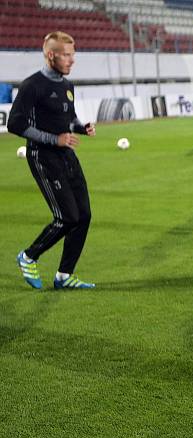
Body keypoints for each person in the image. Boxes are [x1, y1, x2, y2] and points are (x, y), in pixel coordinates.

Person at [8, 31, 96, 289]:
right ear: (51, 55)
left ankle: (64, 276)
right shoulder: (32, 85)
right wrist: (53, 139)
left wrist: (81, 127)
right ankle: (28, 256)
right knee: (67, 216)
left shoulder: (67, 86)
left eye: (73, 54)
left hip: (67, 156)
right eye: (66, 55)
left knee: (84, 215)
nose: (72, 60)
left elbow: (68, 118)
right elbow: (15, 124)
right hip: (43, 157)